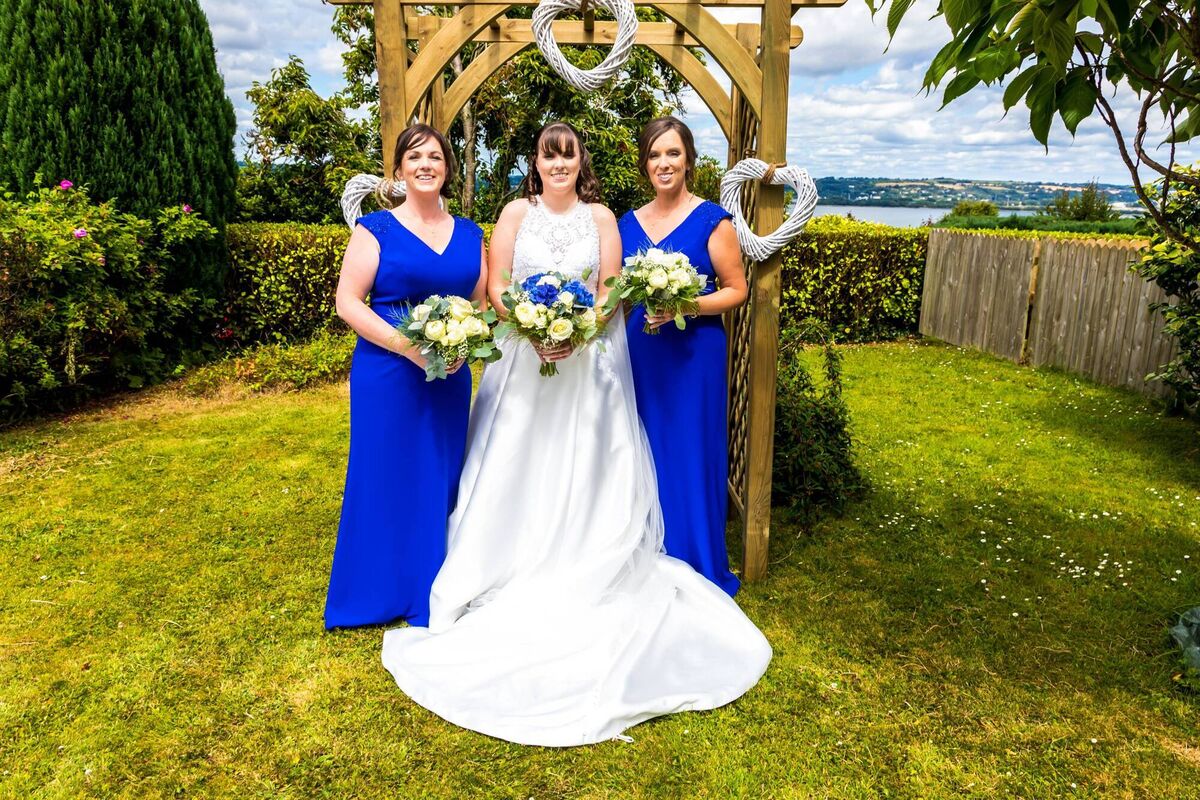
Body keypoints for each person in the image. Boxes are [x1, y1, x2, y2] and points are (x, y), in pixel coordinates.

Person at [380, 121, 770, 746]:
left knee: (590, 466)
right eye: (547, 155)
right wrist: (532, 328)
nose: (558, 164)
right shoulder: (514, 212)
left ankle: (590, 556)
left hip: (587, 364)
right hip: (523, 369)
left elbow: (612, 294)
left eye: (568, 155)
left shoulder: (602, 219)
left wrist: (575, 331)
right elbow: (497, 286)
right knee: (514, 463)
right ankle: (502, 561)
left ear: (579, 162)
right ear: (535, 162)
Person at [324, 124, 488, 630]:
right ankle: (376, 588)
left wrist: (464, 341)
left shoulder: (469, 233)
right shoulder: (375, 229)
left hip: (449, 376)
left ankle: (431, 585)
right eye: (415, 156)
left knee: (439, 472)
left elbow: (481, 302)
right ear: (398, 169)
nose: (426, 164)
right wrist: (410, 349)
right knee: (383, 471)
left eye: (436, 157)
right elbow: (347, 302)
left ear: (447, 169)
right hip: (389, 373)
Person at [618, 116, 748, 597]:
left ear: (689, 159)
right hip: (643, 351)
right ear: (645, 164)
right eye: (654, 155)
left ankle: (694, 556)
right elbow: (612, 294)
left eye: (672, 153)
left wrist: (684, 305)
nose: (664, 163)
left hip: (694, 355)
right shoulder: (626, 223)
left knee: (690, 448)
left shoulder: (713, 220)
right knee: (642, 446)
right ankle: (643, 551)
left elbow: (737, 290)